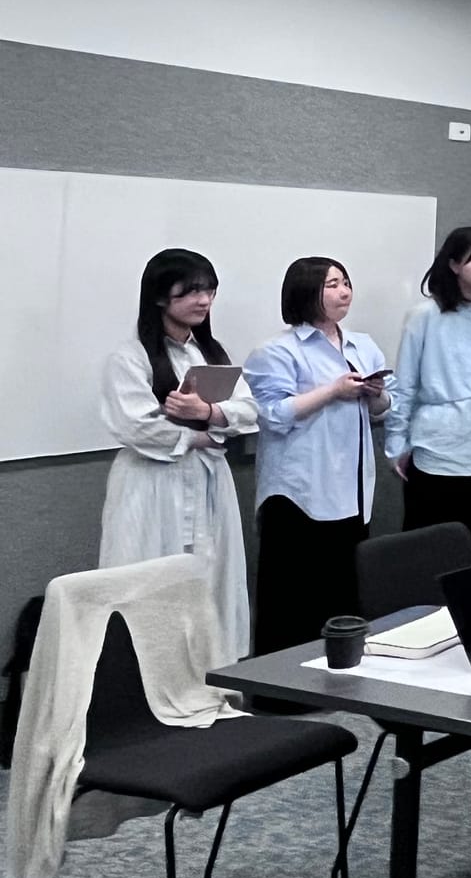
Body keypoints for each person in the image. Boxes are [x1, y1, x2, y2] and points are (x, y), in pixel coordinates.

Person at [98, 248, 260, 659]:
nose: (203, 301)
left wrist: (207, 413)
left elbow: (248, 410)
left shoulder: (211, 354)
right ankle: (146, 680)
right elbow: (136, 425)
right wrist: (197, 437)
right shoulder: (130, 357)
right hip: (152, 483)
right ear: (159, 297)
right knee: (147, 580)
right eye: (190, 292)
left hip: (207, 482)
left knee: (211, 576)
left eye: (209, 291)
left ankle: (211, 675)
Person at [242, 257, 392, 655]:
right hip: (299, 492)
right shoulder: (277, 351)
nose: (344, 292)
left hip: (352, 489)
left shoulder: (363, 345)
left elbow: (383, 410)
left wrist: (376, 394)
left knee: (343, 595)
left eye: (346, 282)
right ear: (306, 292)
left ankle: (342, 672)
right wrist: (333, 391)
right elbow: (272, 415)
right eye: (332, 285)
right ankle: (281, 683)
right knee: (293, 599)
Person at [385, 226, 471, 559]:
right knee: (433, 544)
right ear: (454, 264)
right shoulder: (424, 315)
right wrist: (396, 444)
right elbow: (404, 385)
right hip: (438, 443)